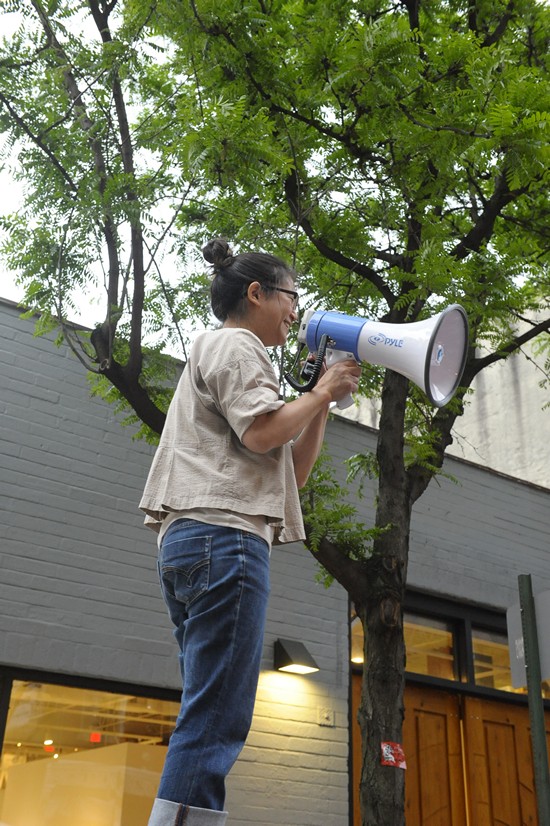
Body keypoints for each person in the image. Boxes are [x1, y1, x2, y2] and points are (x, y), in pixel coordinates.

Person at [139, 238, 362, 826]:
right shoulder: (237, 343)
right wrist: (316, 392)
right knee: (217, 715)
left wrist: (321, 404)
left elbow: (290, 471)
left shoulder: (216, 352)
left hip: (195, 540)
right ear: (256, 294)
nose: (297, 311)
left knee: (207, 706)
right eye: (292, 296)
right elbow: (263, 435)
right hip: (225, 538)